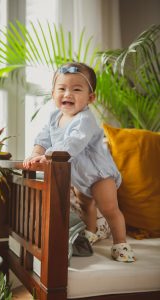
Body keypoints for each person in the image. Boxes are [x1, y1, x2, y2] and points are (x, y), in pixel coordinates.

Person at [23, 62, 135, 262]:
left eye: (76, 89)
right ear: (53, 93)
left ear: (90, 98)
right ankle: (91, 232)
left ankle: (120, 244)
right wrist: (34, 155)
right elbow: (42, 139)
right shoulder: (53, 117)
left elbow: (74, 142)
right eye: (62, 88)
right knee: (86, 206)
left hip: (99, 174)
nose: (68, 94)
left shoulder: (85, 119)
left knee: (109, 209)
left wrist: (48, 155)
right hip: (79, 177)